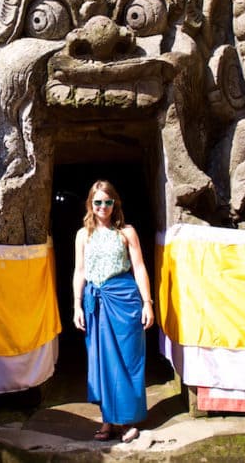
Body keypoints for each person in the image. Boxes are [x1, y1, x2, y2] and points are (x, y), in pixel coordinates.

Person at [72, 180, 153, 443]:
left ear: (114, 203)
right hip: (95, 301)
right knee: (101, 361)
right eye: (98, 202)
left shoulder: (127, 232)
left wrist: (147, 303)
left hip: (124, 299)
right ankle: (108, 421)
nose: (103, 207)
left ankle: (127, 421)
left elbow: (139, 267)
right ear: (90, 205)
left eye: (108, 202)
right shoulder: (83, 235)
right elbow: (80, 271)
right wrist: (76, 305)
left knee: (128, 360)